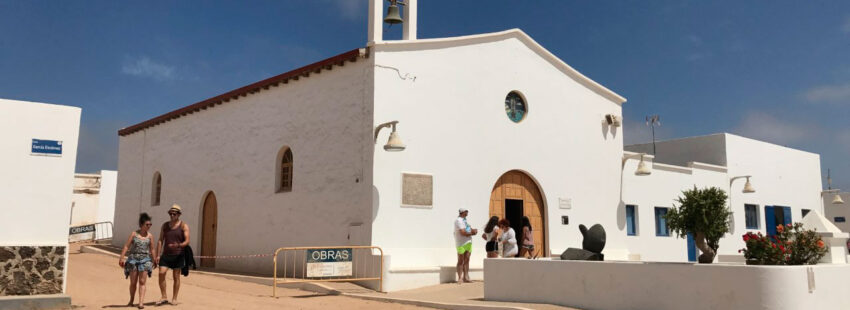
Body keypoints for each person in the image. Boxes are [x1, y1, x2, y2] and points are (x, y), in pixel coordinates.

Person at [119, 213, 156, 309]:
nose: (149, 227)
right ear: (141, 225)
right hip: (133, 260)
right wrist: (122, 257)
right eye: (147, 225)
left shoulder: (150, 236)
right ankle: (131, 300)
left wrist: (155, 259)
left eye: (150, 225)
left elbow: (152, 249)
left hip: (145, 260)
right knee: (133, 282)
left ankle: (141, 303)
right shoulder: (134, 234)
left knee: (143, 282)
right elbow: (127, 246)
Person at [156, 204, 190, 306]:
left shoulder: (183, 226)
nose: (171, 215)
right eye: (170, 213)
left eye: (174, 214)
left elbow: (187, 241)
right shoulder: (165, 225)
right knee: (161, 273)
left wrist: (178, 245)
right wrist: (158, 255)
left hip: (178, 255)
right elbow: (160, 240)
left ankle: (174, 298)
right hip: (166, 255)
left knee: (176, 277)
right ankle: (164, 296)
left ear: (178, 215)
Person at [454, 208, 477, 283]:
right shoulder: (459, 220)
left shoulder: (464, 220)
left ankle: (466, 277)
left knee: (467, 260)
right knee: (460, 260)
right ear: (462, 212)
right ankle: (460, 278)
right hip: (461, 243)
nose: (467, 212)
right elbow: (463, 232)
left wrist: (474, 230)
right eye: (466, 211)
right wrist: (473, 233)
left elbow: (469, 229)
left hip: (468, 242)